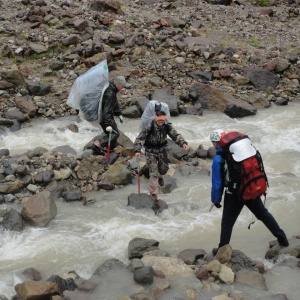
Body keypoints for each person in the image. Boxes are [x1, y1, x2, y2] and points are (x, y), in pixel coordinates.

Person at [210, 129, 289, 254]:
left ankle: (222, 251)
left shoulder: (219, 159)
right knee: (263, 214)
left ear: (216, 142)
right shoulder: (240, 151)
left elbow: (217, 182)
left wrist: (216, 200)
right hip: (249, 187)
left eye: (213, 142)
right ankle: (283, 238)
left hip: (234, 193)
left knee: (227, 223)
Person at [134, 111, 190, 202]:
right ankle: (153, 194)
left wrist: (183, 143)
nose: (161, 122)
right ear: (156, 118)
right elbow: (140, 138)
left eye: (162, 120)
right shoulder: (149, 126)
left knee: (163, 169)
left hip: (162, 151)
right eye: (159, 120)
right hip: (150, 151)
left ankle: (160, 175)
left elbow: (175, 135)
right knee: (153, 173)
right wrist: (137, 150)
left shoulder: (167, 125)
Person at [92, 76, 131, 155]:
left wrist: (119, 114)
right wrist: (107, 124)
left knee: (113, 133)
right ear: (118, 84)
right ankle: (97, 144)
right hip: (105, 117)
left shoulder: (112, 90)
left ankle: (109, 149)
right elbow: (106, 110)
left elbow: (114, 103)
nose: (123, 87)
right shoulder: (109, 93)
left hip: (107, 116)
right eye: (122, 85)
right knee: (115, 133)